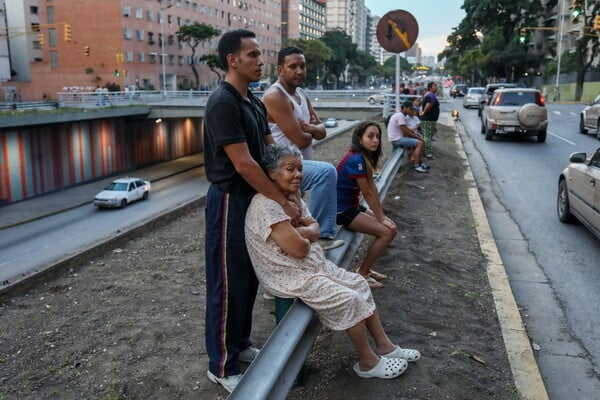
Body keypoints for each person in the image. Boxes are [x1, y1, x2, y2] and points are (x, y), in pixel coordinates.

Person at [245, 143, 420, 379]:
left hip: (310, 266)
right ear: (271, 172)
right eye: (290, 169)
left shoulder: (290, 198)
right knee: (348, 299)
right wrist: (304, 236)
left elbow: (314, 229)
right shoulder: (267, 205)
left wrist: (302, 233)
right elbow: (298, 248)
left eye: (299, 168)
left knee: (359, 283)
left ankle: (384, 346)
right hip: (290, 275)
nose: (298, 174)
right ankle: (368, 363)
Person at [202, 29, 301, 394]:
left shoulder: (253, 102)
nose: (262, 62)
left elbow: (271, 152)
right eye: (254, 55)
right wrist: (281, 199)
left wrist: (291, 182)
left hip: (256, 199)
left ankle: (240, 345)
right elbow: (243, 164)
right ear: (232, 60)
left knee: (248, 276)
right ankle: (221, 364)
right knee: (227, 282)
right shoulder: (222, 103)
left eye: (261, 55)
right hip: (230, 199)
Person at [262, 46, 344, 251]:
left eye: (302, 66)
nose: (299, 71)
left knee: (298, 211)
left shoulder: (301, 94)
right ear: (280, 70)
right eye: (293, 67)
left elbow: (322, 130)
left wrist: (313, 128)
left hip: (298, 166)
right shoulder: (275, 96)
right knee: (326, 172)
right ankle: (323, 235)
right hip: (283, 170)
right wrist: (313, 130)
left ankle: (308, 236)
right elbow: (301, 140)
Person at [336, 121, 397, 289]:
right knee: (386, 233)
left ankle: (367, 270)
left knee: (392, 228)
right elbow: (367, 193)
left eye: (377, 137)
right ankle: (362, 273)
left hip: (352, 206)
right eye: (370, 136)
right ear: (360, 139)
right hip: (342, 210)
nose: (375, 140)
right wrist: (380, 217)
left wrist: (381, 215)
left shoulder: (364, 158)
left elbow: (372, 188)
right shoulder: (356, 159)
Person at [387, 100, 428, 173]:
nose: (411, 110)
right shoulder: (400, 116)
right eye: (409, 108)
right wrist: (418, 138)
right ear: (405, 108)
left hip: (395, 138)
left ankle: (419, 162)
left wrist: (415, 134)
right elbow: (405, 131)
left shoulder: (400, 115)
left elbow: (406, 129)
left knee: (417, 141)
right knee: (420, 143)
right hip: (397, 139)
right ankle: (417, 165)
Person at [419, 82, 440, 159]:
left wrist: (421, 112)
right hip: (428, 120)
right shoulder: (431, 95)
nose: (436, 87)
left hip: (430, 120)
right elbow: (428, 106)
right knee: (427, 136)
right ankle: (427, 152)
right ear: (430, 88)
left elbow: (422, 105)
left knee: (429, 134)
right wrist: (424, 112)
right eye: (435, 85)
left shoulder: (428, 95)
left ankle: (425, 149)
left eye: (436, 85)